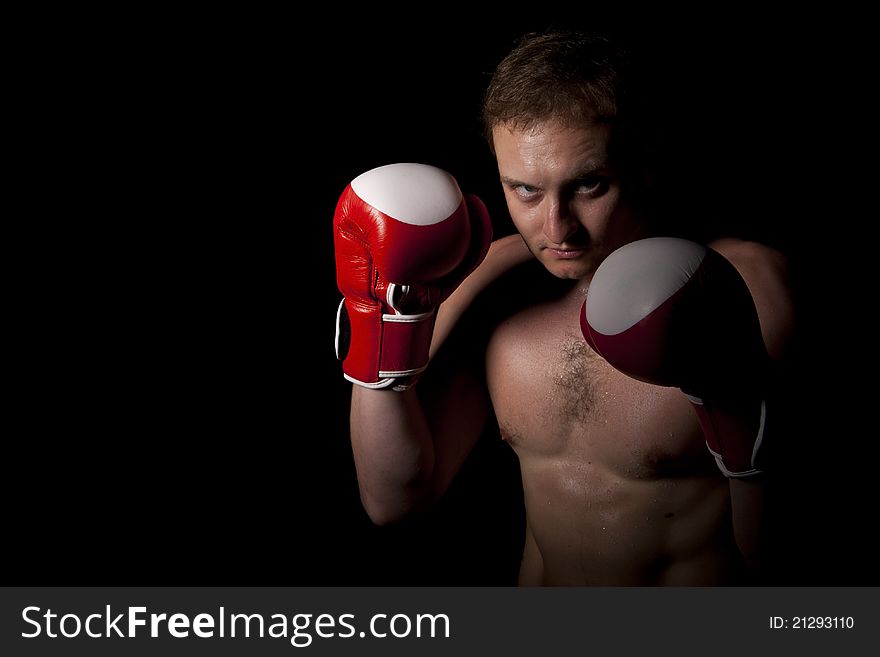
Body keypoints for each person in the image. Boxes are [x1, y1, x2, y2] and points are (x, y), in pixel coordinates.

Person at [333, 32, 795, 585]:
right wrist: (381, 322)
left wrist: (740, 416)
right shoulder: (488, 285)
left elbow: (785, 567)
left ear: (643, 163)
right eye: (525, 190)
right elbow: (394, 501)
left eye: (589, 185)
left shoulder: (742, 286)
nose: (557, 228)